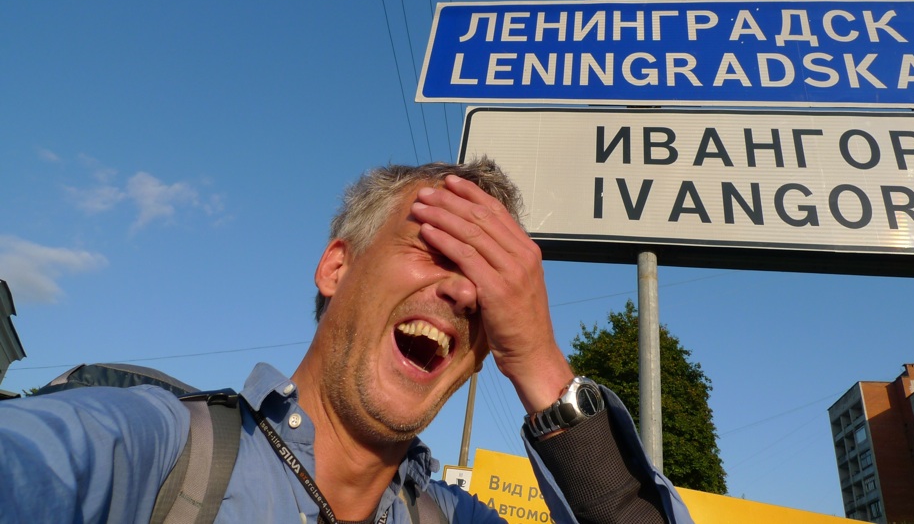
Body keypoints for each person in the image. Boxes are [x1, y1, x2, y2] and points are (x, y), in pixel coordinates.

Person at [0, 159, 695, 524]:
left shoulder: (454, 519)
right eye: (435, 250)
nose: (461, 292)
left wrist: (541, 366)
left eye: (489, 288)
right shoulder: (148, 450)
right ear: (337, 266)